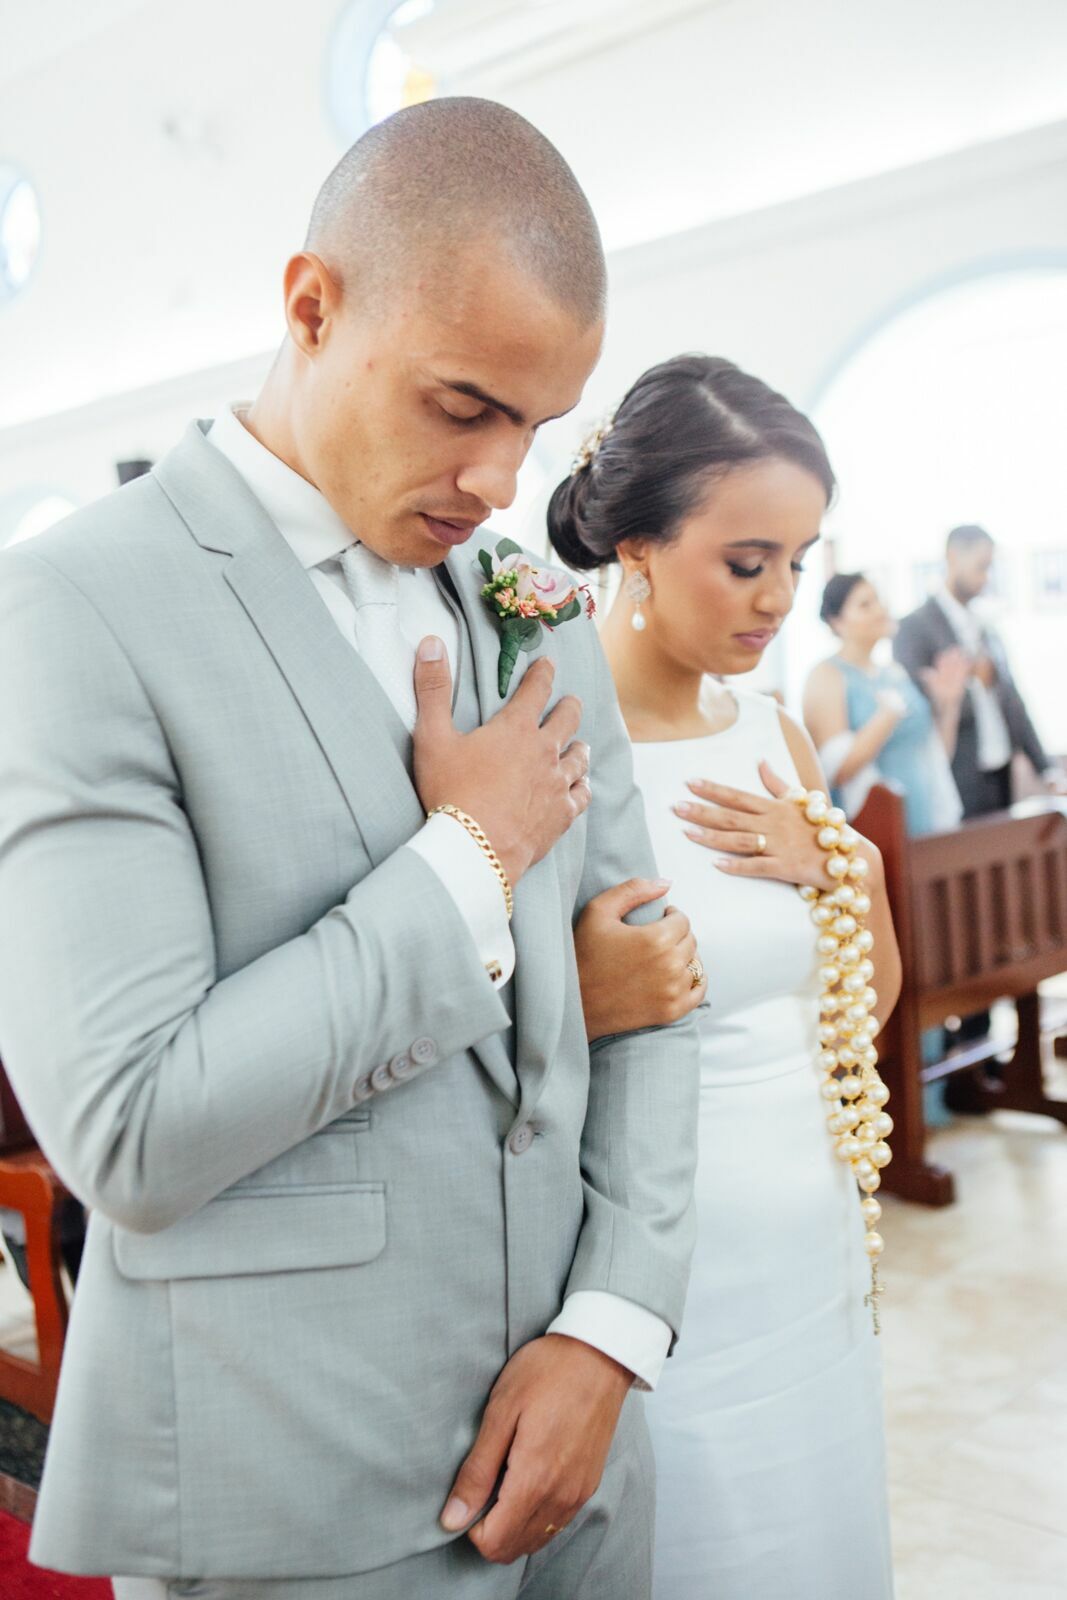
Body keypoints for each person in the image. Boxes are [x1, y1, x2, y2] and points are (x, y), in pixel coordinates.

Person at [0, 100, 703, 1600]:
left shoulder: (522, 605)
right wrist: (471, 857)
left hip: (586, 1462)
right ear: (310, 306)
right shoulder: (69, 610)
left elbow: (642, 980)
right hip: (298, 1485)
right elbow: (127, 1127)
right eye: (462, 406)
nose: (500, 483)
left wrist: (610, 1324)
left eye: (533, 422)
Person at [549, 354, 902, 1600]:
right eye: (745, 563)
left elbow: (862, 1009)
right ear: (635, 547)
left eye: (798, 564)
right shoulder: (548, 744)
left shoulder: (773, 733)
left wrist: (839, 869)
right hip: (666, 1268)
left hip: (809, 1236)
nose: (778, 601)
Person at [894, 524, 1062, 817]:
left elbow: (1012, 699)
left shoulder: (987, 628)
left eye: (990, 567)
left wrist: (1046, 768)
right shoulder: (914, 627)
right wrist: (956, 687)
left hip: (1001, 773)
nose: (986, 578)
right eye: (981, 566)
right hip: (953, 776)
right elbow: (913, 707)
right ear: (953, 557)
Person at [802, 571, 965, 834]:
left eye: (879, 600)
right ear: (837, 622)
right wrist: (887, 716)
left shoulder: (895, 673)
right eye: (865, 605)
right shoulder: (826, 676)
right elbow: (836, 772)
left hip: (926, 818)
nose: (880, 610)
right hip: (874, 827)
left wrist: (950, 704)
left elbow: (936, 753)